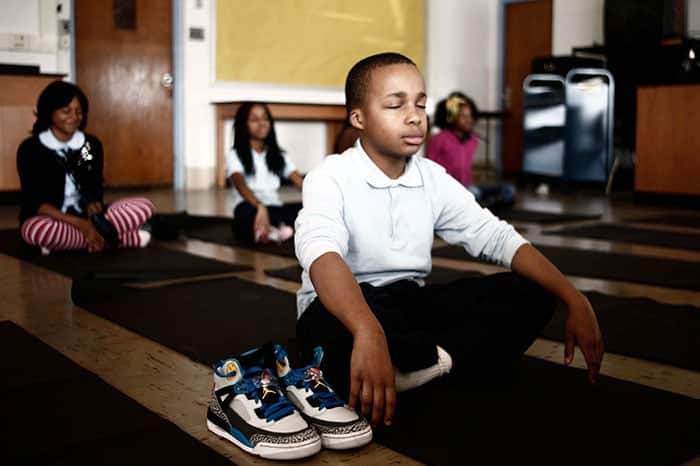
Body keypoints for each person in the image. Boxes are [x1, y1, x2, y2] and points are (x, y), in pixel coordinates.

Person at [293, 53, 604, 428]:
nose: (414, 115)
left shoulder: (432, 178)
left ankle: (422, 367)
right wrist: (366, 329)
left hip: (406, 304)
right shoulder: (331, 176)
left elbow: (496, 237)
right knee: (334, 329)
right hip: (342, 307)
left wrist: (574, 297)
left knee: (532, 293)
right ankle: (435, 360)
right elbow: (321, 252)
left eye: (420, 103)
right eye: (395, 104)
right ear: (358, 118)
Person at [17, 80, 154, 254]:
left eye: (79, 111)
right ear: (49, 112)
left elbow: (94, 184)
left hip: (87, 217)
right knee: (34, 229)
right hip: (51, 217)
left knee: (144, 206)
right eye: (66, 111)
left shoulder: (89, 145)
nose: (74, 117)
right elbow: (35, 201)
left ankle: (70, 242)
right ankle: (117, 239)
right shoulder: (31, 149)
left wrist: (92, 208)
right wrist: (80, 225)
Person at [225, 102, 304, 244]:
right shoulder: (235, 154)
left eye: (265, 118)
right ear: (244, 125)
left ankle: (271, 231)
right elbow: (240, 184)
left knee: (303, 209)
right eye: (254, 120)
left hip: (274, 208)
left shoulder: (278, 155)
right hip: (251, 206)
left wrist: (320, 201)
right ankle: (278, 230)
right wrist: (260, 206)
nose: (262, 123)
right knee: (244, 214)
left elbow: (300, 181)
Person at [428, 91, 515, 208]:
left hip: (468, 187)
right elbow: (428, 170)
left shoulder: (473, 140)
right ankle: (481, 206)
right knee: (473, 193)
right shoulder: (438, 139)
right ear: (451, 118)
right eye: (463, 116)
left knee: (509, 189)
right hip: (448, 192)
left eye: (470, 116)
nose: (469, 120)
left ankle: (482, 205)